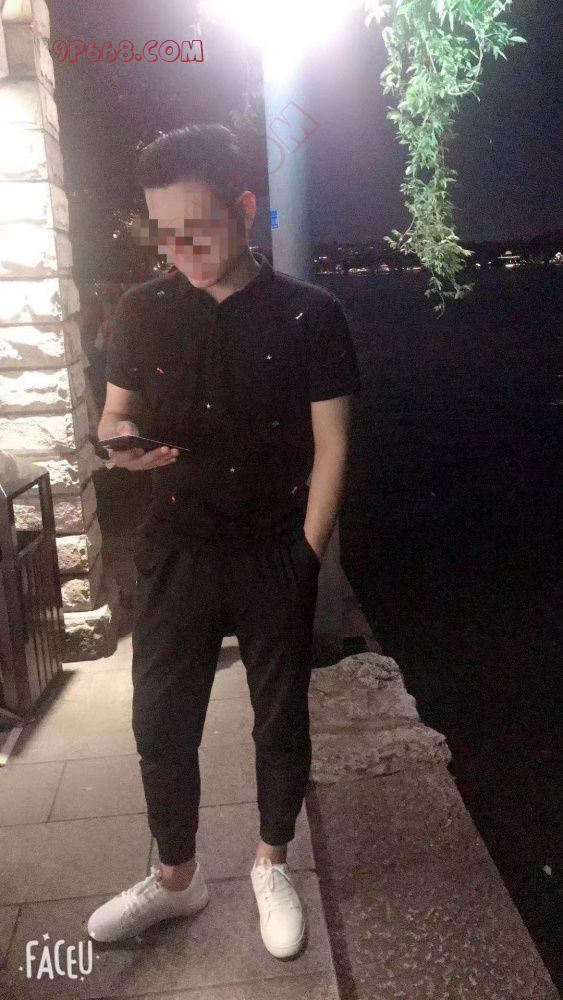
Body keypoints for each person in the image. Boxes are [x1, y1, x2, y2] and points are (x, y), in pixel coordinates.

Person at [88, 124, 361, 957]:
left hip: (273, 545)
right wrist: (120, 446)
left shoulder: (311, 315)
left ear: (244, 209)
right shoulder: (140, 310)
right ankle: (176, 877)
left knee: (279, 719)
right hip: (176, 546)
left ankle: (271, 863)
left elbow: (333, 446)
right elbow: (114, 415)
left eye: (198, 229)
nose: (182, 251)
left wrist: (306, 556)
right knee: (159, 721)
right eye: (164, 234)